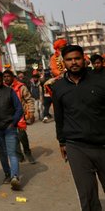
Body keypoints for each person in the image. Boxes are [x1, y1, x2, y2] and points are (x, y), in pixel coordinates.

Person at [52, 44, 105, 211]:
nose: (73, 62)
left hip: (103, 143)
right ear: (64, 62)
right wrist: (62, 142)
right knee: (87, 195)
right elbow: (59, 117)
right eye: (69, 59)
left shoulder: (100, 80)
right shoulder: (58, 87)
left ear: (84, 59)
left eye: (77, 58)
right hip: (76, 146)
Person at [3, 69, 37, 164]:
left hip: (20, 114)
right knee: (12, 136)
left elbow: (29, 100)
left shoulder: (21, 87)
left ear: (13, 77)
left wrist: (31, 112)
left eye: (8, 76)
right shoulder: (1, 88)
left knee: (22, 135)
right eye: (4, 77)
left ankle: (28, 152)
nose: (6, 78)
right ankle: (19, 155)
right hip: (7, 116)